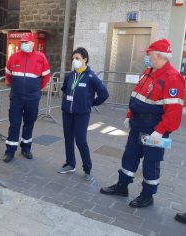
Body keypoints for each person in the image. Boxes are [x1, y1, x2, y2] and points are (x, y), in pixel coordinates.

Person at [100, 39, 185, 208]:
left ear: (159, 55)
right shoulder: (149, 71)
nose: (147, 56)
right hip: (137, 125)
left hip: (154, 130)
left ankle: (147, 195)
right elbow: (136, 96)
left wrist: (160, 131)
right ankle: (122, 186)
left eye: (149, 53)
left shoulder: (173, 78)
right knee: (129, 156)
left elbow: (174, 112)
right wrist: (129, 115)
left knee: (151, 163)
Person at [58, 47, 109, 181]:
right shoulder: (70, 76)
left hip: (82, 114)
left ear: (85, 60)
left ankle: (87, 168)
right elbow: (65, 89)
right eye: (73, 58)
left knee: (80, 141)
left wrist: (91, 103)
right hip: (67, 113)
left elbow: (104, 94)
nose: (74, 61)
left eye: (77, 58)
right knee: (68, 138)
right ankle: (70, 164)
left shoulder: (91, 77)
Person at [3, 33, 50, 163]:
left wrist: (36, 88)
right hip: (16, 97)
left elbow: (46, 76)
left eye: (25, 42)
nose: (22, 44)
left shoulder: (40, 57)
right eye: (22, 42)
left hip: (32, 98)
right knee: (14, 124)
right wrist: (11, 84)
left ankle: (26, 148)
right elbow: (8, 73)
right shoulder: (14, 57)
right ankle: (10, 151)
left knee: (29, 122)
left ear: (32, 44)